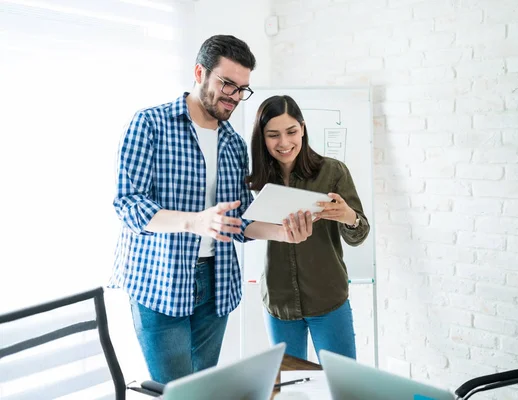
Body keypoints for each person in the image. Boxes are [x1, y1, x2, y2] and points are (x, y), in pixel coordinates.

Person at [110, 35, 313, 384]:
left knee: (204, 389)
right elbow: (129, 204)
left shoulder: (233, 142)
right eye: (227, 84)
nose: (234, 96)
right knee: (174, 390)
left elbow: (241, 218)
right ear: (199, 72)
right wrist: (196, 222)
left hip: (214, 282)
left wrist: (283, 233)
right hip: (159, 280)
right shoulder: (149, 125)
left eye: (242, 88)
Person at [246, 95, 370, 362]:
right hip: (279, 302)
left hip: (328, 299)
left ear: (302, 128)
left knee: (343, 386)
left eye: (291, 131)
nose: (284, 143)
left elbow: (359, 234)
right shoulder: (254, 180)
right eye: (273, 135)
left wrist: (349, 216)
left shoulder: (333, 172)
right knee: (288, 389)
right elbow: (243, 228)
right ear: (262, 138)